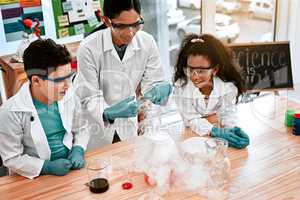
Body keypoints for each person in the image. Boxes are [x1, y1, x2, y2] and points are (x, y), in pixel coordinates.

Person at [73, 0, 172, 144]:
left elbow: (152, 84)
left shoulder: (147, 42)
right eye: (122, 26)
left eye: (136, 24)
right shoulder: (88, 48)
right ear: (106, 21)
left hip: (128, 126)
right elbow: (88, 96)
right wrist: (107, 113)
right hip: (97, 129)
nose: (130, 32)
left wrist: (159, 90)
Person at [0, 39, 89, 179]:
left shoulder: (69, 95)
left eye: (69, 77)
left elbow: (81, 128)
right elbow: (12, 158)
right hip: (33, 177)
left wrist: (78, 148)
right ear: (36, 80)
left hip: (70, 170)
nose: (68, 86)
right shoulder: (9, 112)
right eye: (59, 80)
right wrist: (46, 167)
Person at [173, 34, 249, 149]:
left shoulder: (227, 87)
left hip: (215, 137)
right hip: (192, 137)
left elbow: (228, 112)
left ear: (215, 70)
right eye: (190, 69)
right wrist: (214, 131)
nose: (194, 76)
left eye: (200, 71)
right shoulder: (181, 87)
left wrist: (231, 129)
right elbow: (190, 119)